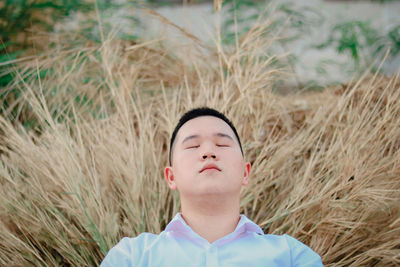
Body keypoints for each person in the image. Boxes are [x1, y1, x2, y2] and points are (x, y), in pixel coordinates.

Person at [100, 107, 323, 266]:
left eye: (222, 143)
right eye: (193, 145)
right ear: (171, 176)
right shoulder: (131, 257)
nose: (208, 152)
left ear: (246, 172)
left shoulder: (293, 257)